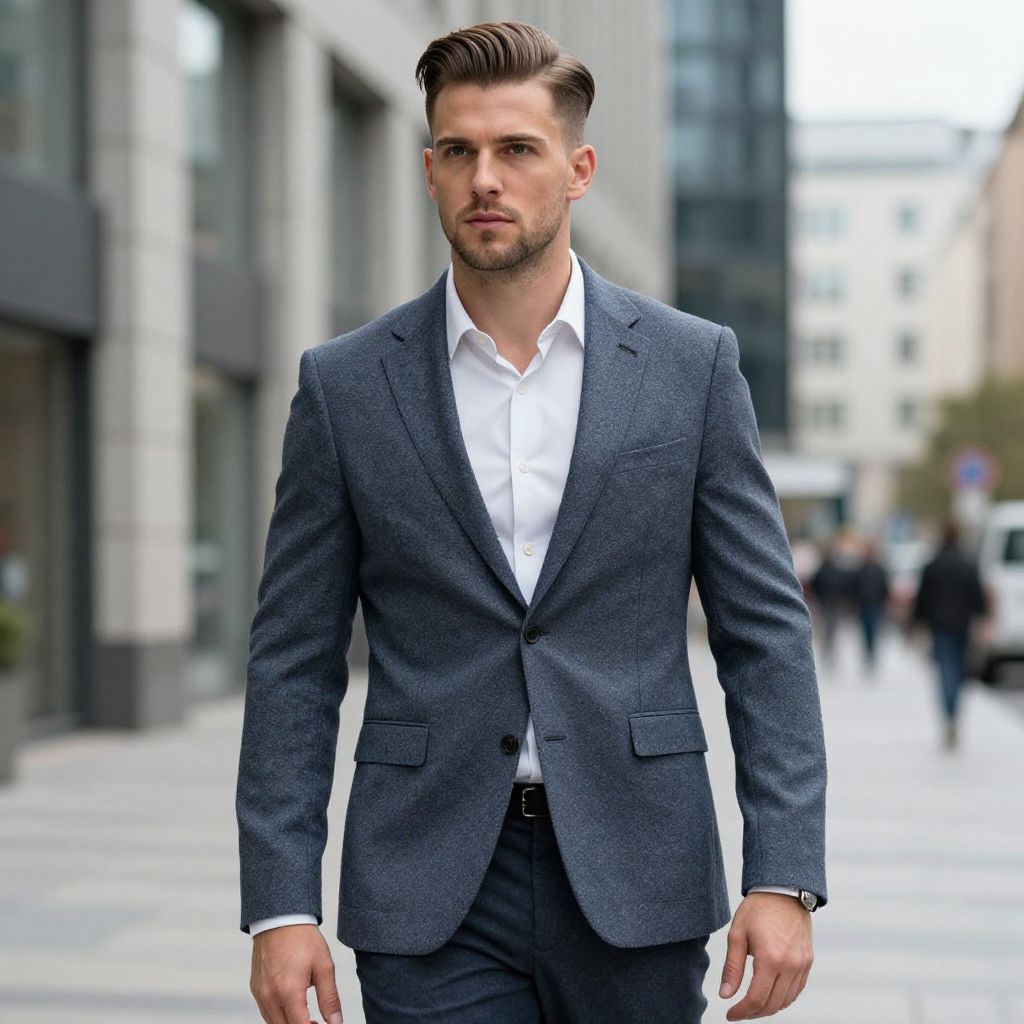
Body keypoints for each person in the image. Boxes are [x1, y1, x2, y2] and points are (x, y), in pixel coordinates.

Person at [236, 21, 827, 1024]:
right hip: (427, 881)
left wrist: (784, 871)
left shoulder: (690, 368)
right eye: (458, 151)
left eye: (517, 149)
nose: (485, 179)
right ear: (427, 170)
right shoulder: (344, 388)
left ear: (578, 167)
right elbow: (293, 658)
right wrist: (279, 902)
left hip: (637, 866)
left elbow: (764, 633)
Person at [910, 520, 989, 749]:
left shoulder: (933, 564)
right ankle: (954, 712)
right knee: (958, 670)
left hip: (940, 625)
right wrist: (983, 621)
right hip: (962, 624)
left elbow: (923, 597)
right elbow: (978, 595)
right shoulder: (967, 563)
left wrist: (916, 624)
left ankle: (949, 714)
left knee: (945, 669)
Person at [849, 537, 890, 676]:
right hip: (865, 605)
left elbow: (884, 587)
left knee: (871, 631)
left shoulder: (876, 569)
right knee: (867, 632)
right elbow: (855, 587)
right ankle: (869, 655)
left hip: (873, 604)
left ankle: (870, 655)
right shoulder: (862, 569)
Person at [808, 538, 849, 669]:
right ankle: (828, 651)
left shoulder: (825, 569)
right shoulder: (830, 570)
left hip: (828, 603)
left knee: (829, 629)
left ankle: (829, 652)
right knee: (829, 629)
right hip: (829, 603)